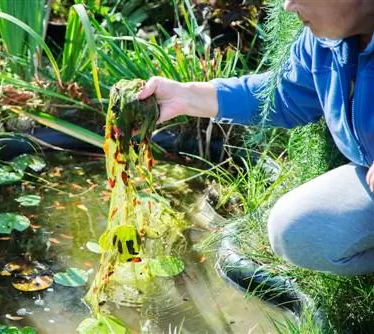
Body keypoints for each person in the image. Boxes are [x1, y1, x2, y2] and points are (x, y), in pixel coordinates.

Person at [138, 0, 374, 276]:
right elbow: (283, 97)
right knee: (297, 230)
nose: (287, 6)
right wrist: (185, 97)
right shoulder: (328, 43)